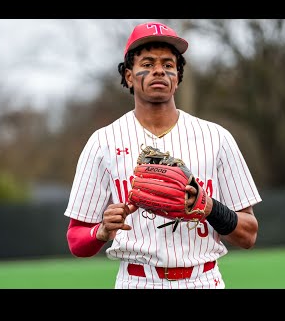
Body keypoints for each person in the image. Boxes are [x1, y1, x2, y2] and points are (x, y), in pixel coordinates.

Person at [64, 21, 262, 289]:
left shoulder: (217, 138)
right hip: (137, 280)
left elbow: (248, 234)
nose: (159, 70)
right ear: (129, 76)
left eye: (168, 65)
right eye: (147, 63)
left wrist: (210, 207)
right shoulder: (103, 142)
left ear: (178, 78)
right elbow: (76, 240)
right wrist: (101, 231)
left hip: (203, 279)